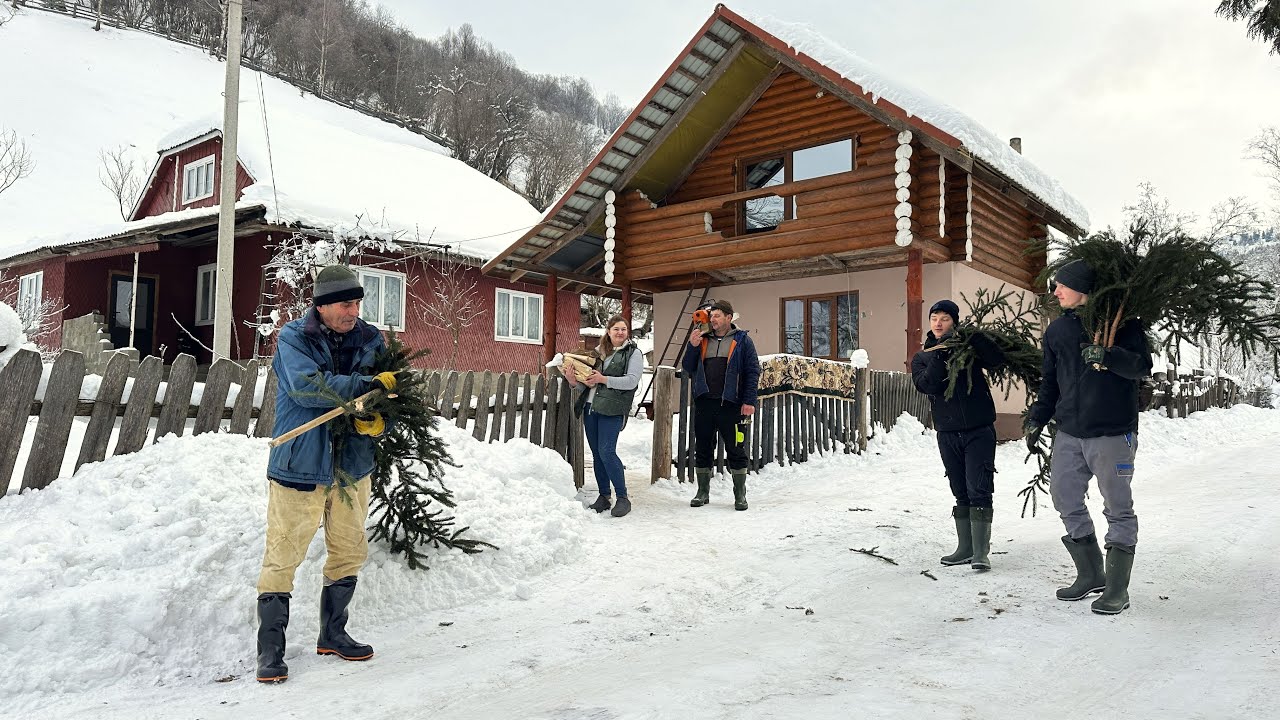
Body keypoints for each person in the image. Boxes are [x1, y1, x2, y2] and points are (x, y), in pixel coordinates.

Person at [256, 264, 399, 683]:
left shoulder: (371, 339)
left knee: (349, 549)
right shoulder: (293, 338)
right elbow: (308, 387)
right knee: (283, 552)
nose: (353, 312)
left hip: (352, 466)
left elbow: (388, 396)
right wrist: (365, 387)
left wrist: (379, 422)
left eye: (357, 303)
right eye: (345, 304)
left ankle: (333, 634)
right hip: (300, 463)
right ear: (321, 305)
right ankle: (270, 650)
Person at [1026, 259, 1152, 615]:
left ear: (1082, 287)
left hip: (1112, 432)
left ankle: (1117, 589)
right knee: (1064, 496)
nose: (1055, 291)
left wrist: (1108, 356)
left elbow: (1142, 367)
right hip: (1069, 432)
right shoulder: (1057, 331)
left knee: (1117, 507)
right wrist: (1037, 418)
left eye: (1061, 285)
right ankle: (1091, 573)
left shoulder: (1123, 324)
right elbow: (1050, 382)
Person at [910, 299, 1005, 570]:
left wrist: (976, 338)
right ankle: (965, 548)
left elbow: (996, 360)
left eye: (945, 318)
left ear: (954, 322)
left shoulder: (968, 350)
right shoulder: (923, 357)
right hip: (948, 432)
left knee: (979, 488)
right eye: (934, 318)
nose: (938, 323)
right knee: (960, 490)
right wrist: (941, 354)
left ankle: (981, 552)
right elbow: (928, 385)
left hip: (979, 430)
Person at [681, 299, 761, 511]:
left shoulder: (742, 340)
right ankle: (702, 492)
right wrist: (692, 346)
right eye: (711, 316)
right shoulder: (702, 338)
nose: (713, 319)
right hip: (705, 403)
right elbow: (688, 367)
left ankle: (740, 495)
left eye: (717, 316)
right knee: (702, 448)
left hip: (732, 404)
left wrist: (749, 401)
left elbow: (753, 371)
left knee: (736, 449)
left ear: (728, 317)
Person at [568, 315, 644, 518]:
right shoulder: (599, 352)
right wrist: (574, 381)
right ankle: (604, 496)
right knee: (597, 453)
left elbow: (631, 381)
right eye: (616, 329)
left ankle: (623, 497)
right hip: (590, 407)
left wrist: (603, 379)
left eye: (623, 329)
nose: (620, 332)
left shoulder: (633, 353)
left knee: (607, 451)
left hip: (612, 408)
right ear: (608, 332)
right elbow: (588, 384)